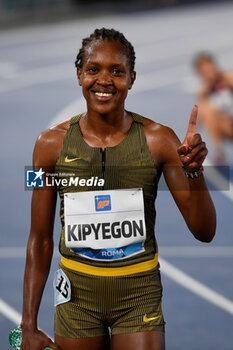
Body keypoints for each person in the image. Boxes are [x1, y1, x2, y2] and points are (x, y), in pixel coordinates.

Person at [20, 28, 216, 350]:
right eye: (94, 69)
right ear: (79, 74)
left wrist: (195, 173)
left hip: (138, 295)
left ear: (132, 78)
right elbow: (39, 238)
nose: (104, 81)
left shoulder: (160, 141)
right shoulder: (48, 146)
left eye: (117, 71)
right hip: (76, 300)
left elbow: (204, 231)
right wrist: (28, 323)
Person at [194, 52, 233, 164]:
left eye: (210, 69)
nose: (209, 73)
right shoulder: (204, 91)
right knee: (206, 109)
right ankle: (219, 151)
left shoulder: (227, 78)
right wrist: (192, 137)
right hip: (225, 126)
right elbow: (199, 117)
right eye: (205, 72)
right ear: (201, 74)